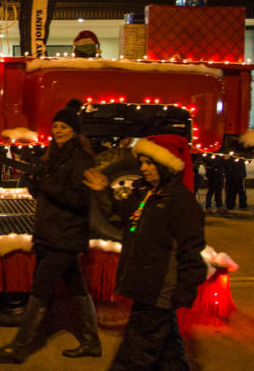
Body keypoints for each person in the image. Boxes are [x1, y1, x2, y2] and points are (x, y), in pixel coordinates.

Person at [0, 100, 100, 363]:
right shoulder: (54, 156)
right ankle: (92, 341)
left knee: (40, 288)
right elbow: (42, 193)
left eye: (64, 126)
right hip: (51, 232)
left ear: (75, 130)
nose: (58, 130)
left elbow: (79, 199)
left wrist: (46, 184)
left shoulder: (81, 160)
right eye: (56, 126)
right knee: (76, 288)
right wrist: (34, 181)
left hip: (66, 235)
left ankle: (19, 347)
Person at [84, 134, 206, 371]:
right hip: (145, 287)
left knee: (133, 358)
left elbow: (191, 251)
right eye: (141, 162)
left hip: (159, 290)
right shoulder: (145, 195)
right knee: (168, 355)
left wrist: (181, 292)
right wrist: (102, 192)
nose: (144, 168)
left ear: (166, 165)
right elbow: (121, 219)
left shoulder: (181, 203)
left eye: (150, 163)